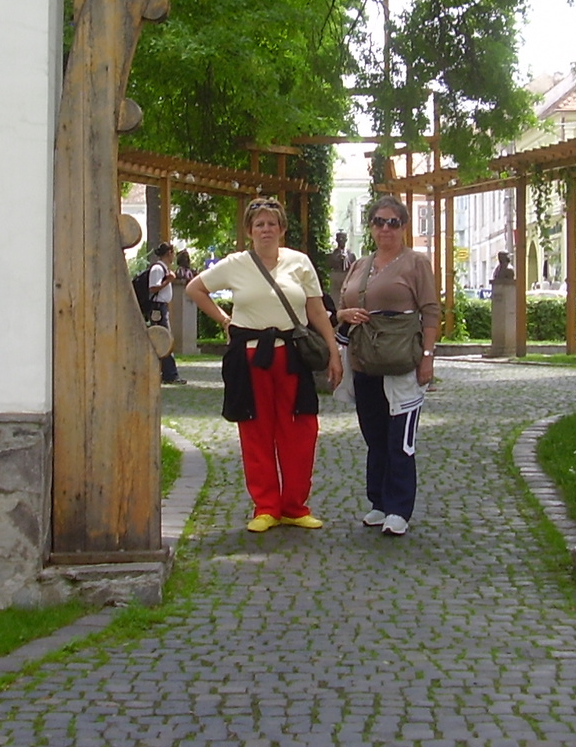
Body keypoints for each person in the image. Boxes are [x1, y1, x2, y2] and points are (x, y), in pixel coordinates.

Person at [187, 196, 342, 532]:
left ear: (282, 229)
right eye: (260, 224)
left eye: (272, 223)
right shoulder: (235, 264)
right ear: (249, 231)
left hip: (293, 356)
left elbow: (315, 310)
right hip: (251, 357)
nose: (266, 229)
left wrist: (333, 350)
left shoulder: (299, 263)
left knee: (300, 429)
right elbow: (194, 288)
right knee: (256, 430)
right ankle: (266, 506)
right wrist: (225, 320)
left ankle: (295, 506)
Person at [336, 195, 439, 537]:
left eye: (392, 222)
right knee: (375, 434)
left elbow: (431, 311)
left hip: (401, 361)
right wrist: (344, 315)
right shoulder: (360, 265)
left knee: (400, 438)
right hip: (365, 361)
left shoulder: (415, 263)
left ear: (404, 227)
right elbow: (341, 306)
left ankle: (399, 506)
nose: (385, 228)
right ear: (371, 227)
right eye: (379, 222)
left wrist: (427, 357)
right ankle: (378, 501)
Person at [147, 242, 185, 385]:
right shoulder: (158, 269)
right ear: (169, 253)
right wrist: (168, 280)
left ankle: (167, 372)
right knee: (164, 340)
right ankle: (169, 374)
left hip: (162, 307)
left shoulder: (163, 268)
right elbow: (153, 288)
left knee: (164, 339)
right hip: (158, 308)